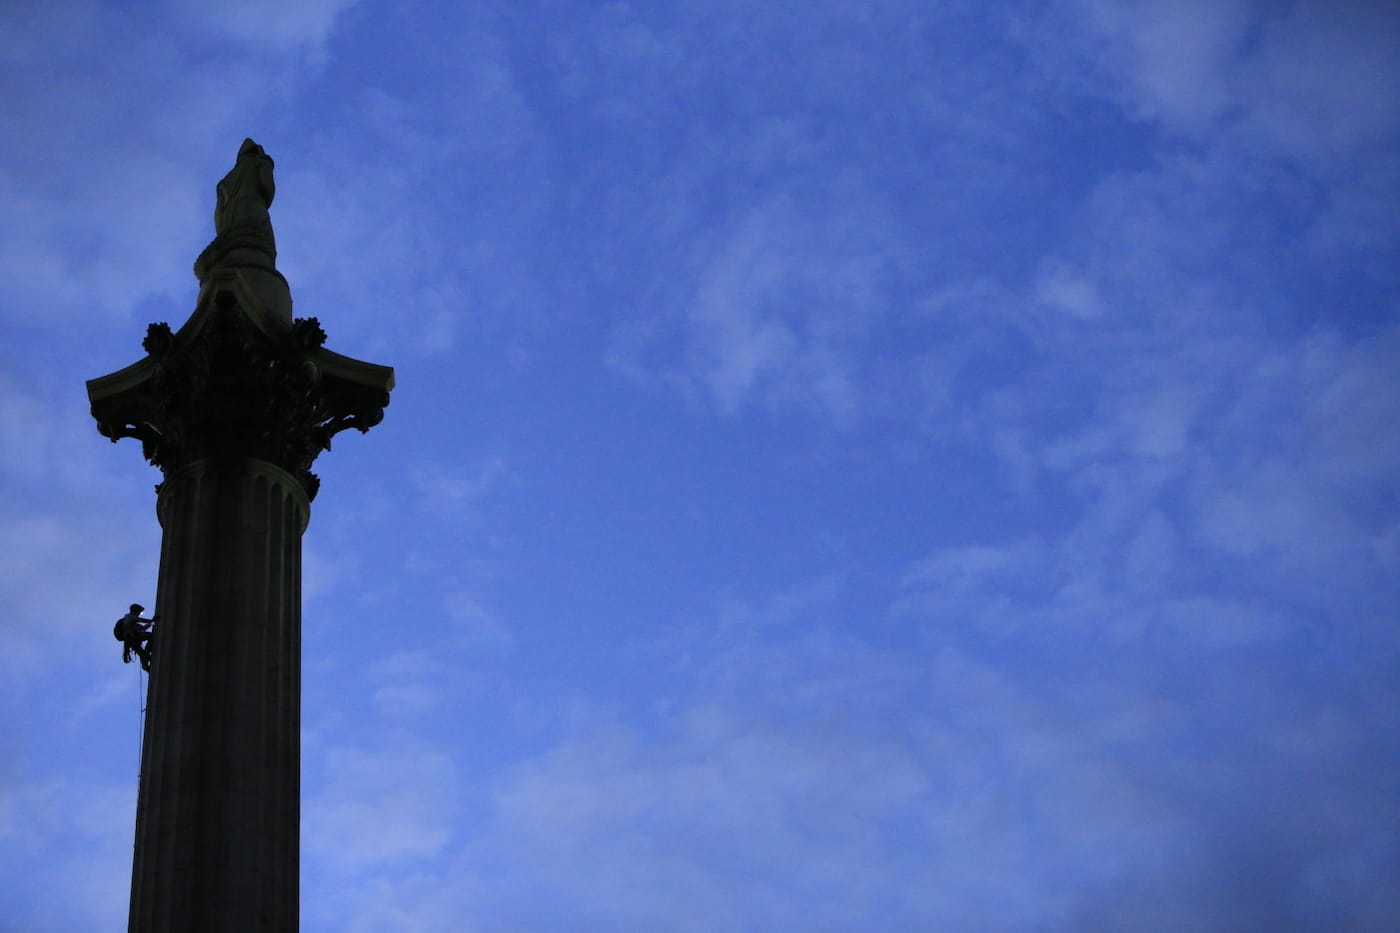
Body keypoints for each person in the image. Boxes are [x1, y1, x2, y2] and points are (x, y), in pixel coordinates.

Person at [114, 603, 157, 672]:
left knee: (143, 653)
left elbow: (143, 627)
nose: (139, 613)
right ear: (135, 611)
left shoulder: (132, 623)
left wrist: (152, 622)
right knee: (150, 637)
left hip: (133, 640)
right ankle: (146, 663)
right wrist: (153, 620)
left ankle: (146, 664)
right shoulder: (129, 617)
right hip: (132, 638)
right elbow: (141, 620)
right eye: (139, 612)